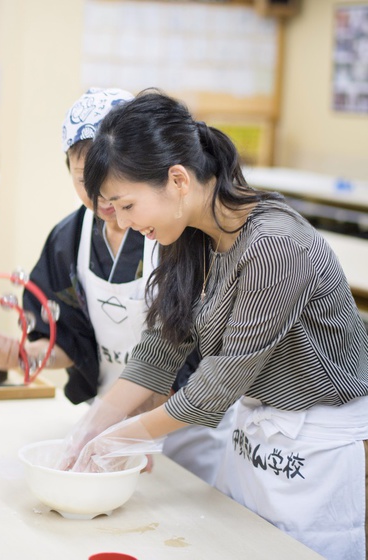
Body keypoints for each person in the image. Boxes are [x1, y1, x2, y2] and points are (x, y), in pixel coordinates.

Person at [61, 89, 368, 560]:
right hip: (254, 431)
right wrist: (96, 421)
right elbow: (162, 344)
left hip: (315, 445)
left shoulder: (274, 245)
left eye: (126, 204)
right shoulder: (189, 234)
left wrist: (127, 434)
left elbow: (213, 388)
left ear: (178, 179)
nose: (122, 220)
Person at [0, 88, 229, 485]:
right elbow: (72, 340)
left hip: (184, 426)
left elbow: (198, 351)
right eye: (85, 181)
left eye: (115, 185)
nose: (102, 197)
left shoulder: (172, 232)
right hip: (111, 423)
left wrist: (134, 423)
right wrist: (26, 356)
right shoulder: (68, 240)